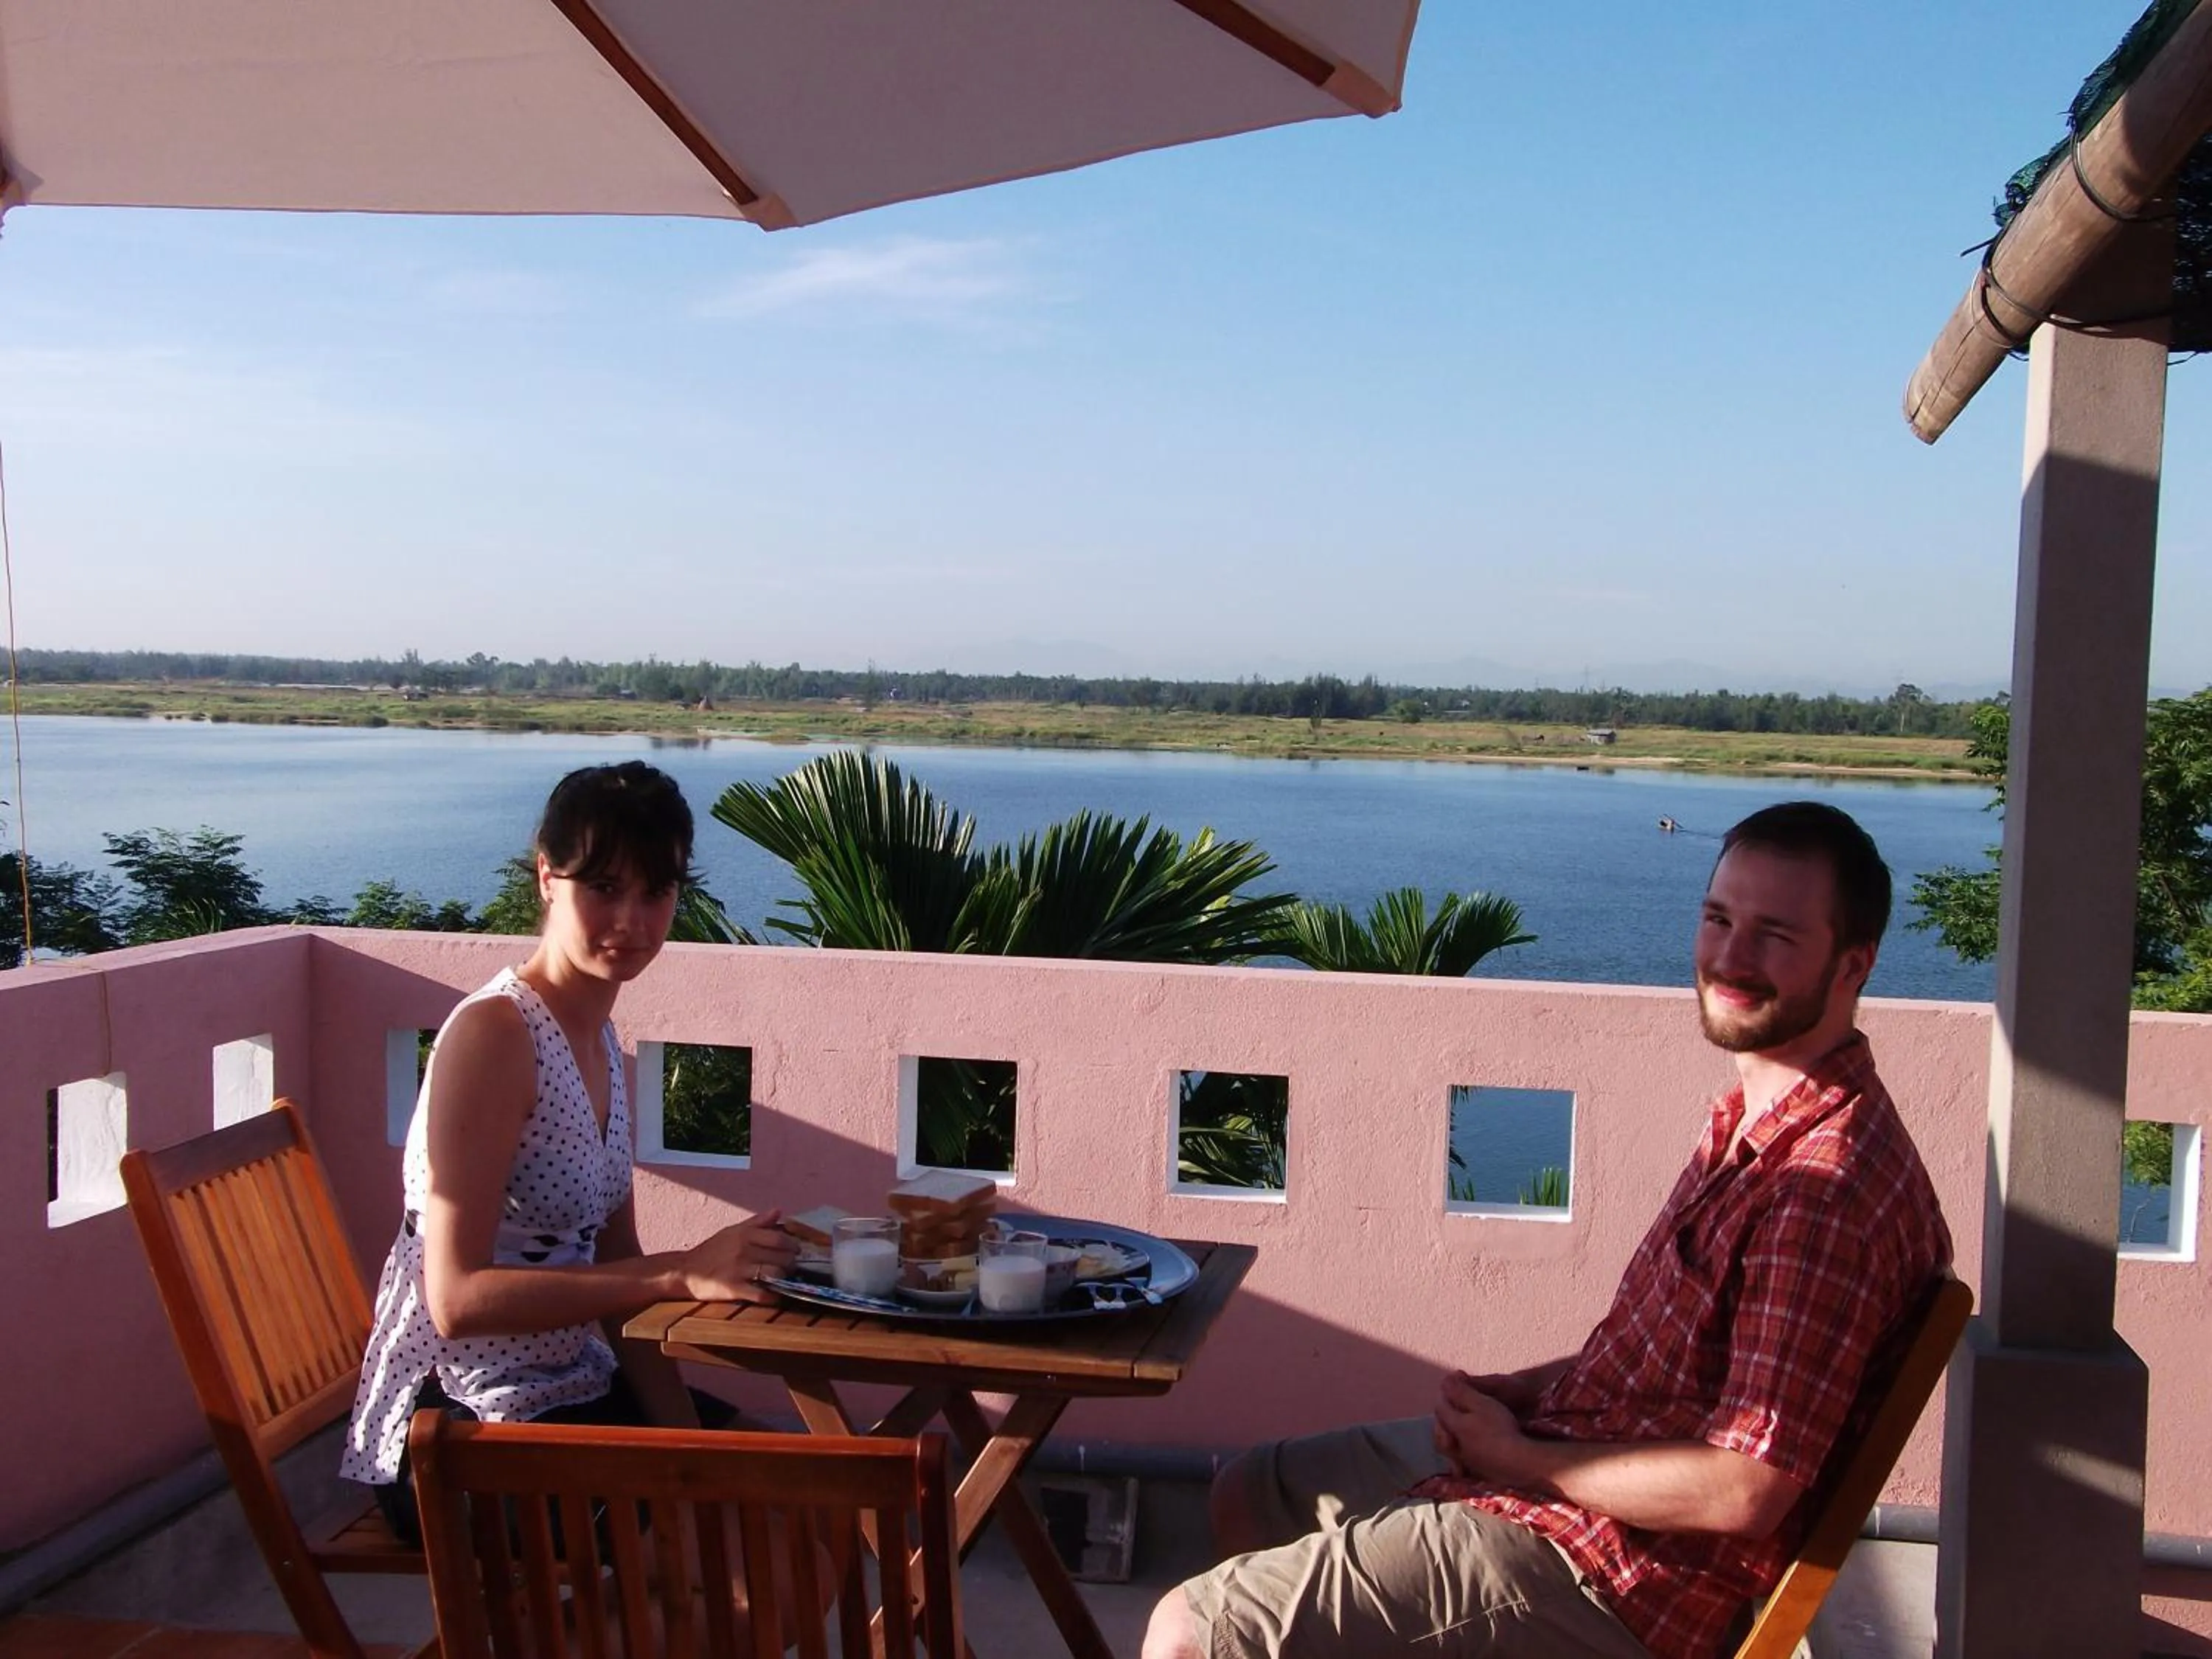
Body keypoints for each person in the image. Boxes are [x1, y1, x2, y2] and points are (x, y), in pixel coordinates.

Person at [1145, 801, 1952, 1659]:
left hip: (1626, 1577)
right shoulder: (1754, 1123)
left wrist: (1521, 1459)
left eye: (1776, 935)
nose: (1730, 957)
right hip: (1579, 1457)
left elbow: (1745, 1490)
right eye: (1719, 919)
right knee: (1251, 1494)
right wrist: (1523, 1395)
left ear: (1851, 966)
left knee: (1193, 1633)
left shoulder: (1819, 1193)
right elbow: (1683, 1358)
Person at [341, 760, 795, 1543]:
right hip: (459, 1429)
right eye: (605, 889)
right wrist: (682, 1269)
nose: (633, 920)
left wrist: (695, 1444)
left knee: (798, 1489)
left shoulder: (596, 1040)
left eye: (656, 893)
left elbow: (621, 1282)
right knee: (757, 1542)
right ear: (548, 878)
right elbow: (455, 1298)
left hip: (571, 1387)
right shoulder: (495, 1036)